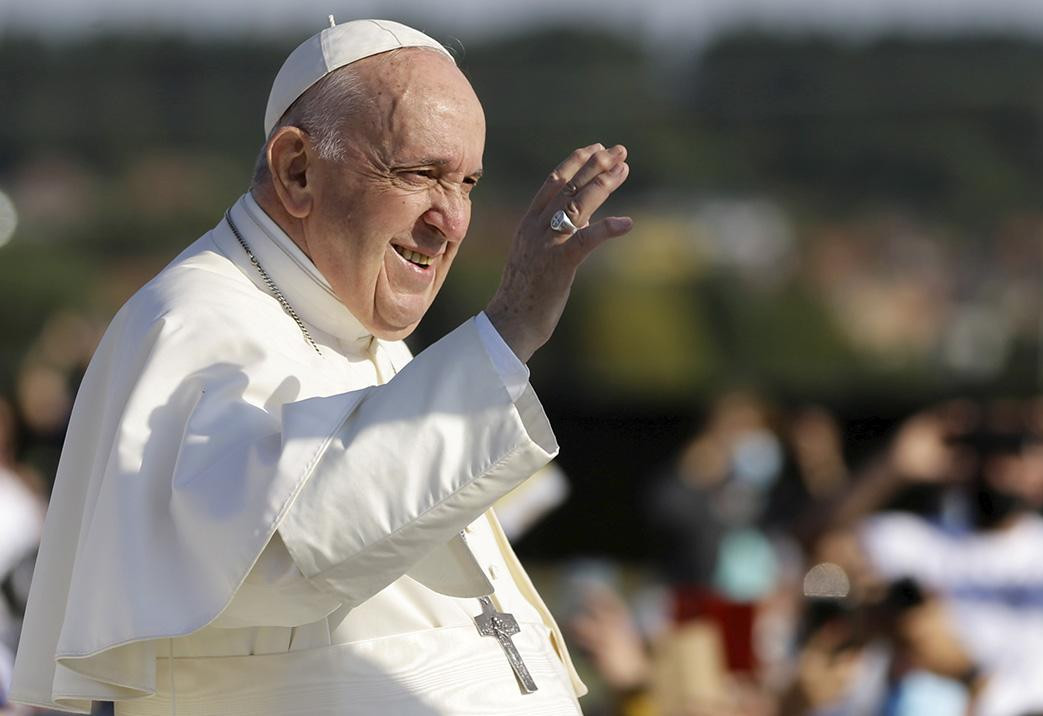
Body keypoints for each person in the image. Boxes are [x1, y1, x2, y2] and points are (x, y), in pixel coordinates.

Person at [10, 18, 632, 716]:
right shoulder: (194, 320)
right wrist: (510, 326)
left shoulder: (359, 332)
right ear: (298, 169)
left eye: (467, 184)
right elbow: (279, 554)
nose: (451, 222)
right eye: (419, 173)